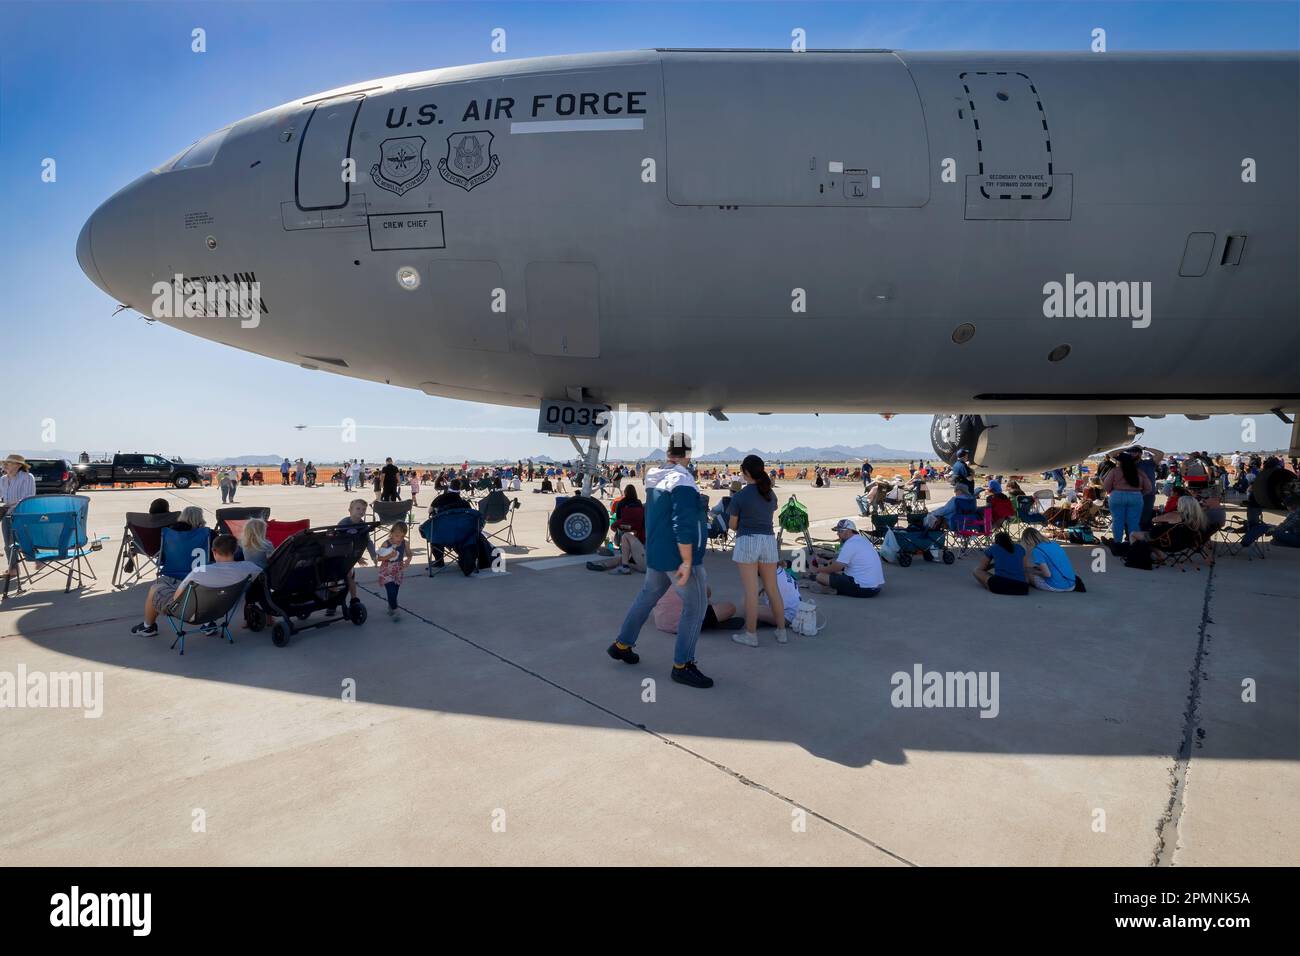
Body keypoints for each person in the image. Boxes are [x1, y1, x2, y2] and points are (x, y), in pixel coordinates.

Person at [604, 433, 714, 689]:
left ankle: (622, 644)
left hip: (657, 553)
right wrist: (687, 561)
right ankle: (683, 665)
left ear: (667, 453)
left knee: (646, 598)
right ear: (687, 454)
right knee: (696, 606)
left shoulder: (654, 477)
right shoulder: (682, 479)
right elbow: (683, 523)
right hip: (677, 557)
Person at [131, 534, 261, 636]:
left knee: (155, 588)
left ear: (214, 552)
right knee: (219, 593)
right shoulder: (249, 568)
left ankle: (148, 627)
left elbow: (176, 599)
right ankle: (209, 624)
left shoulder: (201, 572)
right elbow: (263, 578)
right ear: (236, 550)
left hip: (190, 614)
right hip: (221, 609)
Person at [727, 454, 787, 647]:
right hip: (768, 541)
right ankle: (781, 631)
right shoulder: (769, 493)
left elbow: (732, 525)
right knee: (772, 588)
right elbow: (772, 508)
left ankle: (751, 634)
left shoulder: (740, 496)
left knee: (751, 592)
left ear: (746, 472)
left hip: (748, 542)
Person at [807, 519, 884, 597]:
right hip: (875, 587)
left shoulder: (850, 544)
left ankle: (831, 590)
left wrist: (818, 570)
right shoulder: (862, 540)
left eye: (840, 531)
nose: (837, 534)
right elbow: (841, 564)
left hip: (863, 588)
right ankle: (834, 587)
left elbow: (837, 567)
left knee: (820, 576)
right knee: (836, 573)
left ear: (848, 531)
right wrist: (826, 562)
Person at [588, 485, 646, 574]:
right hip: (643, 561)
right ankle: (603, 565)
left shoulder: (622, 502)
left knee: (626, 536)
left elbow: (618, 519)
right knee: (624, 558)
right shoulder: (639, 505)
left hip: (645, 559)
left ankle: (624, 567)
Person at [1102, 451, 1152, 543]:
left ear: (1120, 462)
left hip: (1117, 496)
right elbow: (1149, 487)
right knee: (1134, 522)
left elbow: (1106, 486)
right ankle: (1134, 544)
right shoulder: (1139, 472)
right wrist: (1140, 494)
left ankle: (1118, 543)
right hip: (1136, 497)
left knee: (1118, 521)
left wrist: (1112, 491)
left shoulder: (1115, 471)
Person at [1, 454, 37, 582]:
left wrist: (9, 504)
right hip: (6, 513)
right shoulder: (3, 479)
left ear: (18, 465)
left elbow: (27, 499)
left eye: (8, 463)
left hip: (22, 514)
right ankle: (14, 569)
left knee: (18, 543)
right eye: (5, 463)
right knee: (8, 544)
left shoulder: (27, 477)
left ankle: (38, 557)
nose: (5, 465)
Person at [337, 499, 377, 605]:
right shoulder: (343, 523)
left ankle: (354, 599)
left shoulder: (363, 526)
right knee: (335, 581)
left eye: (364, 509)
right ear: (350, 510)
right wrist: (357, 557)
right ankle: (333, 602)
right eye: (358, 508)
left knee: (349, 577)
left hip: (351, 557)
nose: (361, 511)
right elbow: (337, 542)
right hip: (340, 555)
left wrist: (374, 556)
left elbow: (368, 541)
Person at [1019, 527, 1080, 592]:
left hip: (1057, 586)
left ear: (1027, 541)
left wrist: (1034, 572)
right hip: (1072, 584)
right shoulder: (1054, 544)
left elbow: (1047, 574)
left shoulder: (1037, 550)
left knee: (1028, 575)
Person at [972, 531, 1032, 595]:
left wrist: (993, 565)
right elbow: (1025, 568)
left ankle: (990, 587)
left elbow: (982, 568)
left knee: (976, 571)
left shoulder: (993, 548)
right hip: (1022, 588)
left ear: (996, 541)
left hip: (1001, 586)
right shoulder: (1020, 548)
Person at [376, 521, 412, 621]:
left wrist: (408, 561)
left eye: (402, 536)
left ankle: (391, 605)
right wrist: (388, 556)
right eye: (397, 536)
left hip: (398, 569)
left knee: (395, 591)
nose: (399, 539)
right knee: (391, 590)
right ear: (391, 533)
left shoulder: (405, 542)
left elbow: (409, 554)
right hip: (387, 569)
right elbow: (379, 558)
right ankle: (396, 610)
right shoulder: (386, 543)